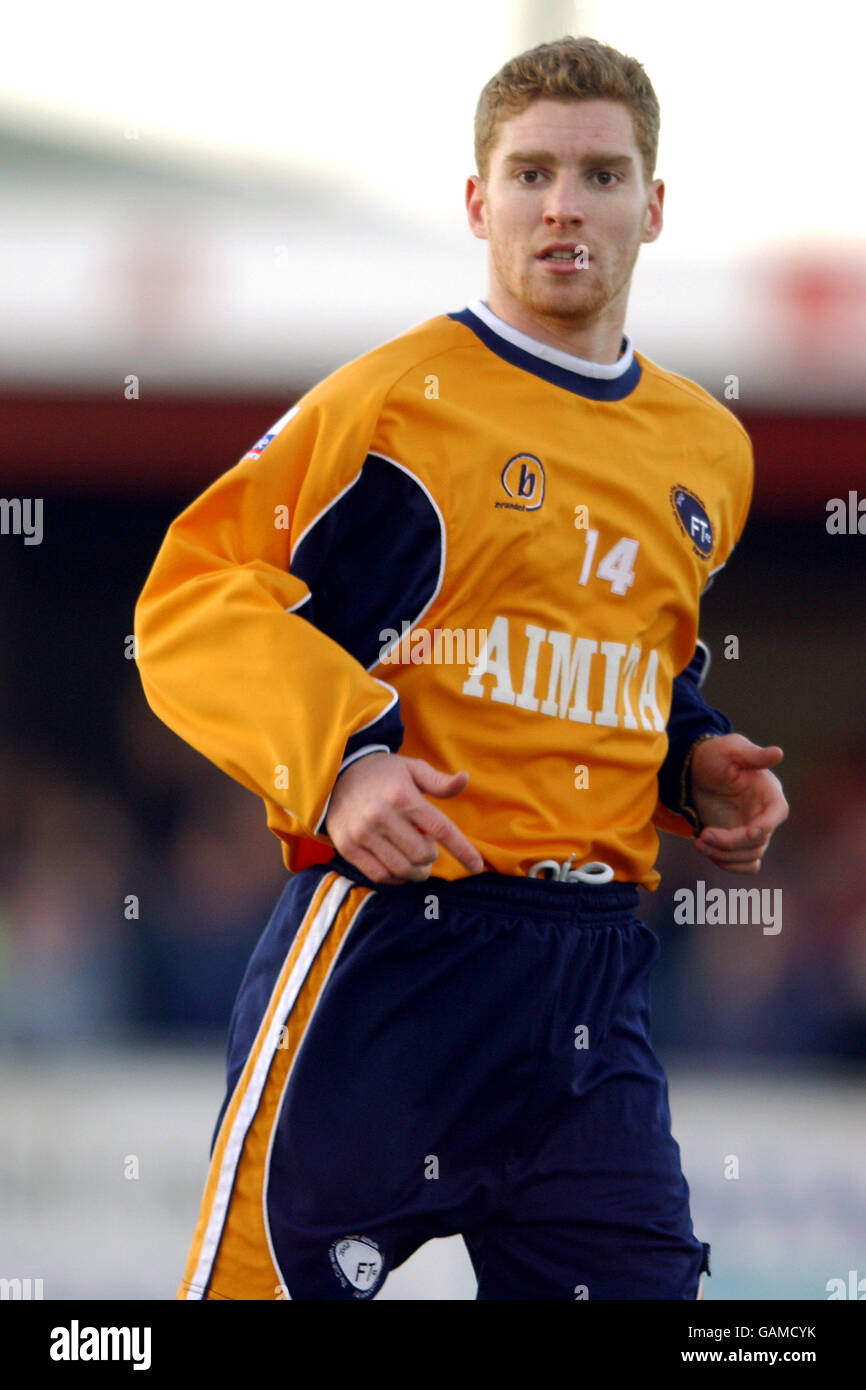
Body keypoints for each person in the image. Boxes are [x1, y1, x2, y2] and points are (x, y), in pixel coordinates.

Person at [134, 35, 788, 1301]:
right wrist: (343, 762)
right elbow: (195, 596)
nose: (562, 205)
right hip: (395, 951)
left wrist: (687, 754)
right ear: (477, 200)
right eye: (530, 171)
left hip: (591, 978)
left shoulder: (707, 449)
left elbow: (623, 661)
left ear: (650, 208)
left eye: (599, 175)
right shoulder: (397, 402)